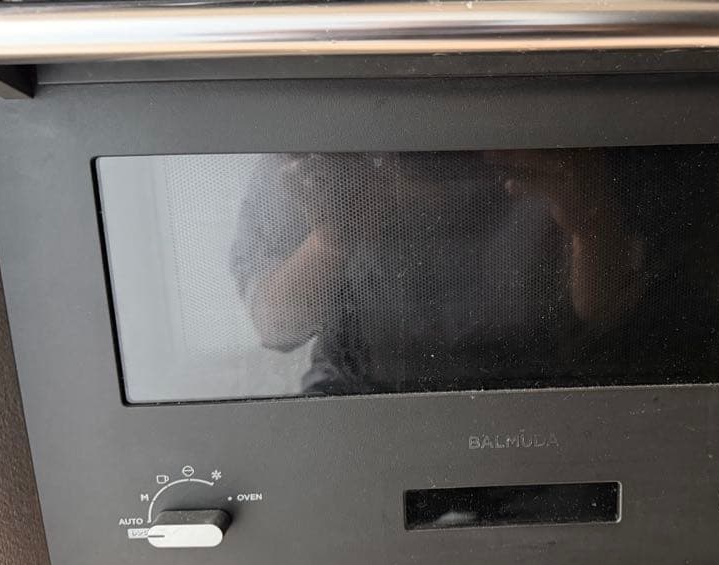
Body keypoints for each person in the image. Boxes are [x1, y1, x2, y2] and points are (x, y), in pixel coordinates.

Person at [229, 149, 655, 396]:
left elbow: (605, 315)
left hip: (552, 392)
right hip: (362, 395)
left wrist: (589, 221)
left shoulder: (558, 148)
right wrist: (335, 238)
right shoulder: (317, 155)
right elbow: (277, 326)